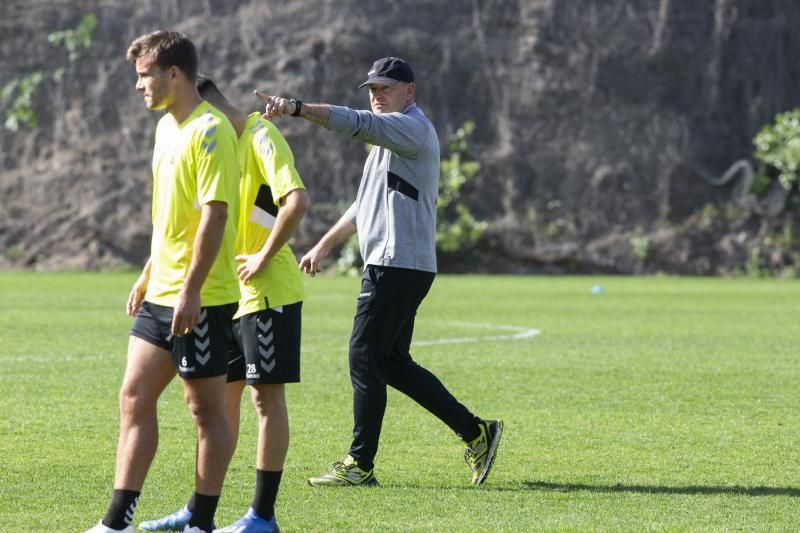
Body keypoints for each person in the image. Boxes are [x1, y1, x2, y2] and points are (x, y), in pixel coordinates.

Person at [256, 56, 503, 487]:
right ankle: (476, 431)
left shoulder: (410, 129)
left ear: (410, 91)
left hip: (397, 264)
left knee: (364, 357)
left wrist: (295, 107)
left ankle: (360, 464)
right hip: (400, 265)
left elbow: (356, 123)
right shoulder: (389, 143)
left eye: (385, 88)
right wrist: (323, 245)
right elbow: (361, 206)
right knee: (391, 363)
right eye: (372, 89)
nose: (376, 96)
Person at [138, 76, 309, 533]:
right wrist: (152, 271)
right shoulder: (217, 144)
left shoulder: (260, 135)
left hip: (267, 291)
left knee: (265, 400)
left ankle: (262, 516)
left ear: (210, 106)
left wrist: (263, 255)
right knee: (219, 406)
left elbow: (296, 200)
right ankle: (199, 511)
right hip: (227, 296)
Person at [86, 31, 240, 533]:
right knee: (133, 396)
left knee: (204, 411)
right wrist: (149, 273)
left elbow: (214, 217)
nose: (139, 86)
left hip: (203, 298)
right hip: (161, 292)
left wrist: (192, 290)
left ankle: (202, 520)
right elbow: (169, 219)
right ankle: (116, 522)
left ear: (174, 74)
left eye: (145, 74)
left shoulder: (211, 130)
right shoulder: (165, 130)